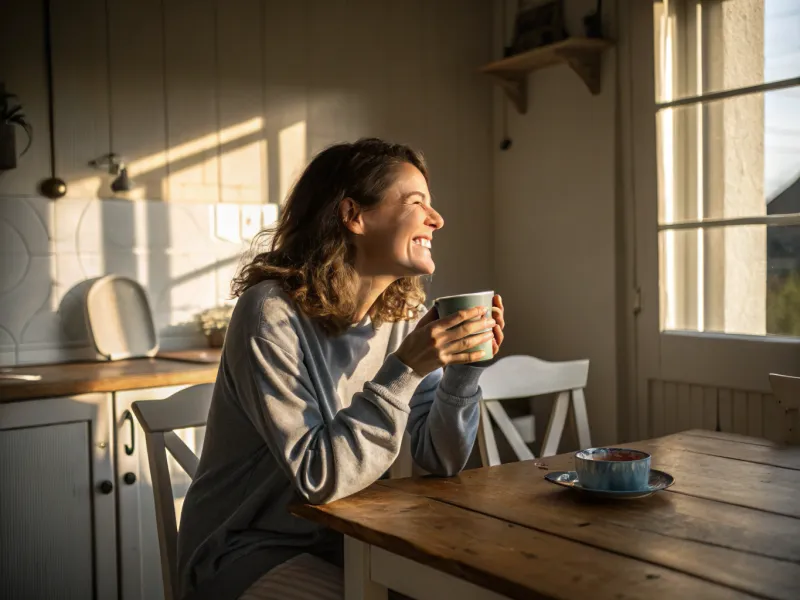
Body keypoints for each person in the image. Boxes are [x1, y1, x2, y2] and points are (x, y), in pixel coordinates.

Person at [177, 138, 505, 600]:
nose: (437, 219)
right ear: (354, 215)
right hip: (245, 550)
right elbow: (319, 477)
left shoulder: (403, 314)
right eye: (417, 203)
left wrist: (463, 371)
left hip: (353, 540)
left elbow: (441, 458)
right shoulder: (269, 312)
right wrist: (406, 368)